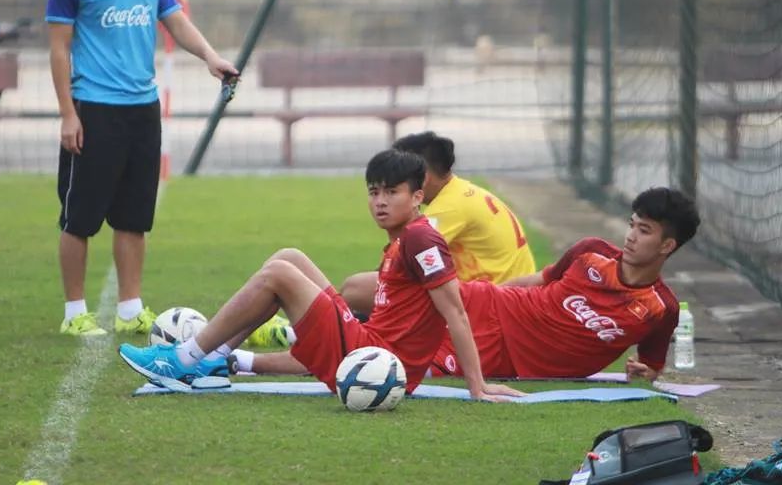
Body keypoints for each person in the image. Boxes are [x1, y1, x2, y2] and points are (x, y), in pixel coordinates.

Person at [117, 149, 525, 402]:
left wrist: (478, 386)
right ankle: (214, 358)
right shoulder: (405, 237)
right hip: (371, 342)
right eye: (373, 192)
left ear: (417, 196)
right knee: (288, 256)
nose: (380, 202)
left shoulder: (421, 239)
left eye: (391, 192)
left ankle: (184, 358)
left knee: (277, 274)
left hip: (376, 359)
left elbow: (455, 312)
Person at [229, 186, 700, 384]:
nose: (630, 236)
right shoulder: (591, 250)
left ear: (668, 246)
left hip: (503, 354)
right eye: (632, 224)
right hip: (487, 305)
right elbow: (535, 281)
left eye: (644, 231)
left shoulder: (662, 310)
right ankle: (292, 327)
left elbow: (652, 366)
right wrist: (475, 291)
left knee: (374, 365)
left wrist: (645, 373)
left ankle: (239, 358)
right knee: (357, 288)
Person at [46, 0, 239, 336]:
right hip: (93, 110)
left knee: (134, 217)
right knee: (80, 219)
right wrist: (68, 114)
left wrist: (211, 57)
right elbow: (58, 49)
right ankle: (75, 314)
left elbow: (176, 21)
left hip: (142, 111)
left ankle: (131, 309)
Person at [247, 131, 537, 346]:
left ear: (420, 177)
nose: (381, 199)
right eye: (375, 192)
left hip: (488, 307)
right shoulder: (462, 192)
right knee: (365, 292)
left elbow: (399, 264)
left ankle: (299, 335)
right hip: (497, 298)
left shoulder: (449, 207)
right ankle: (308, 332)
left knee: (357, 289)